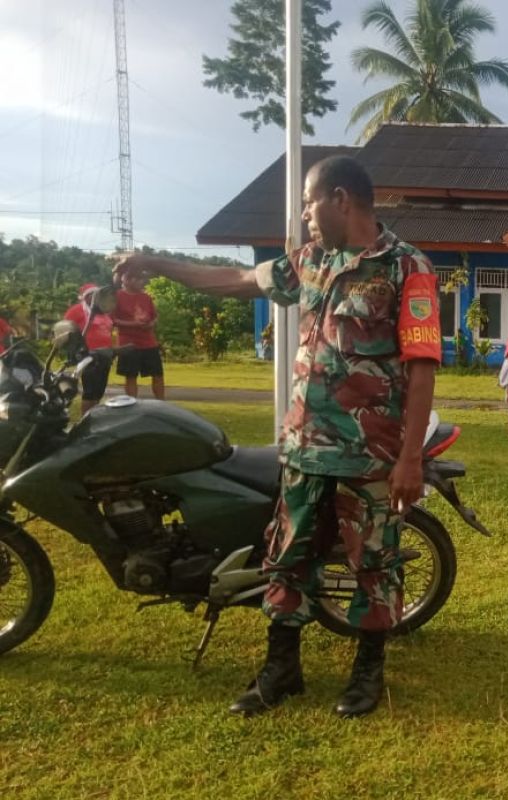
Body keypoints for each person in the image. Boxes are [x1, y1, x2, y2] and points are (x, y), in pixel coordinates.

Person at [113, 154, 440, 718]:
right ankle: (281, 669)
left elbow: (423, 367)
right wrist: (158, 264)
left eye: (310, 203)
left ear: (341, 199)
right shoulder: (310, 261)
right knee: (285, 560)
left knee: (374, 565)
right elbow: (238, 279)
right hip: (302, 449)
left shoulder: (406, 268)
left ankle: (367, 674)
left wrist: (410, 458)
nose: (306, 216)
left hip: (369, 457)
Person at [112, 267, 165, 400]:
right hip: (128, 344)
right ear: (128, 280)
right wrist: (132, 324)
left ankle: (161, 403)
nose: (142, 282)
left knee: (157, 374)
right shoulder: (117, 296)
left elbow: (155, 316)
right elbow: (111, 320)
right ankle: (132, 403)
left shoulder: (146, 297)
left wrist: (152, 323)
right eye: (139, 279)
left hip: (148, 342)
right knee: (131, 376)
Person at [63, 283, 115, 413]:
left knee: (99, 391)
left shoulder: (104, 311)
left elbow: (109, 330)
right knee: (90, 391)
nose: (93, 298)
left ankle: (94, 417)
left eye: (96, 295)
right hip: (89, 356)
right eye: (90, 295)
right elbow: (65, 329)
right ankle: (85, 420)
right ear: (84, 297)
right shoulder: (77, 310)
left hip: (105, 355)